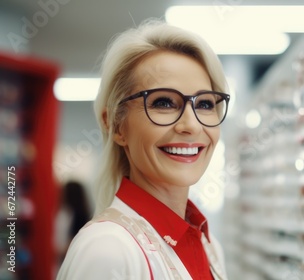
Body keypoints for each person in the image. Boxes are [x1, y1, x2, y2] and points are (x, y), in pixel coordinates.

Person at [57, 18, 230, 280]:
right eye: (163, 102)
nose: (191, 126)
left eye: (205, 104)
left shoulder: (209, 245)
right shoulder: (107, 250)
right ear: (116, 125)